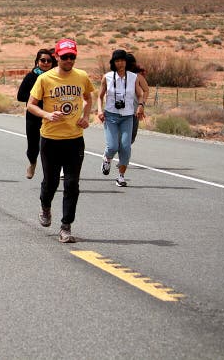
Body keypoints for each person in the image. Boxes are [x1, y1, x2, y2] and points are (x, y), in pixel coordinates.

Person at [27, 38, 94, 244]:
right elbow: (30, 105)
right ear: (57, 57)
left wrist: (85, 116)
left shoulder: (81, 76)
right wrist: (46, 115)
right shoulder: (45, 79)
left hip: (74, 140)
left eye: (72, 57)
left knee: (72, 184)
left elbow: (89, 97)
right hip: (50, 139)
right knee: (51, 182)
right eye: (65, 57)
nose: (69, 60)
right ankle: (45, 206)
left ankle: (66, 226)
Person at [98, 50, 145, 187]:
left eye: (123, 60)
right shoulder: (107, 77)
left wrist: (141, 105)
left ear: (126, 61)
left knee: (125, 147)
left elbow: (140, 94)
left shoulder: (133, 77)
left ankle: (121, 176)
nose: (120, 63)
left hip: (127, 117)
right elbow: (100, 96)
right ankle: (107, 158)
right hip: (111, 116)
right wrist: (100, 111)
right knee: (112, 146)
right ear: (113, 63)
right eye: (117, 61)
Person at [17, 48, 56, 179]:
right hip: (33, 116)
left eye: (49, 60)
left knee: (49, 148)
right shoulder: (31, 77)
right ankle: (32, 162)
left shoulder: (57, 77)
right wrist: (36, 97)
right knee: (33, 147)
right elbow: (20, 96)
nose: (45, 63)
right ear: (37, 61)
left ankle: (50, 174)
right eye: (42, 60)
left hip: (51, 116)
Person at [126, 52, 149, 143]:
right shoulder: (117, 76)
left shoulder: (138, 76)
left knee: (131, 137)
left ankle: (124, 152)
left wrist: (142, 104)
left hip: (134, 111)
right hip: (120, 110)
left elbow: (146, 90)